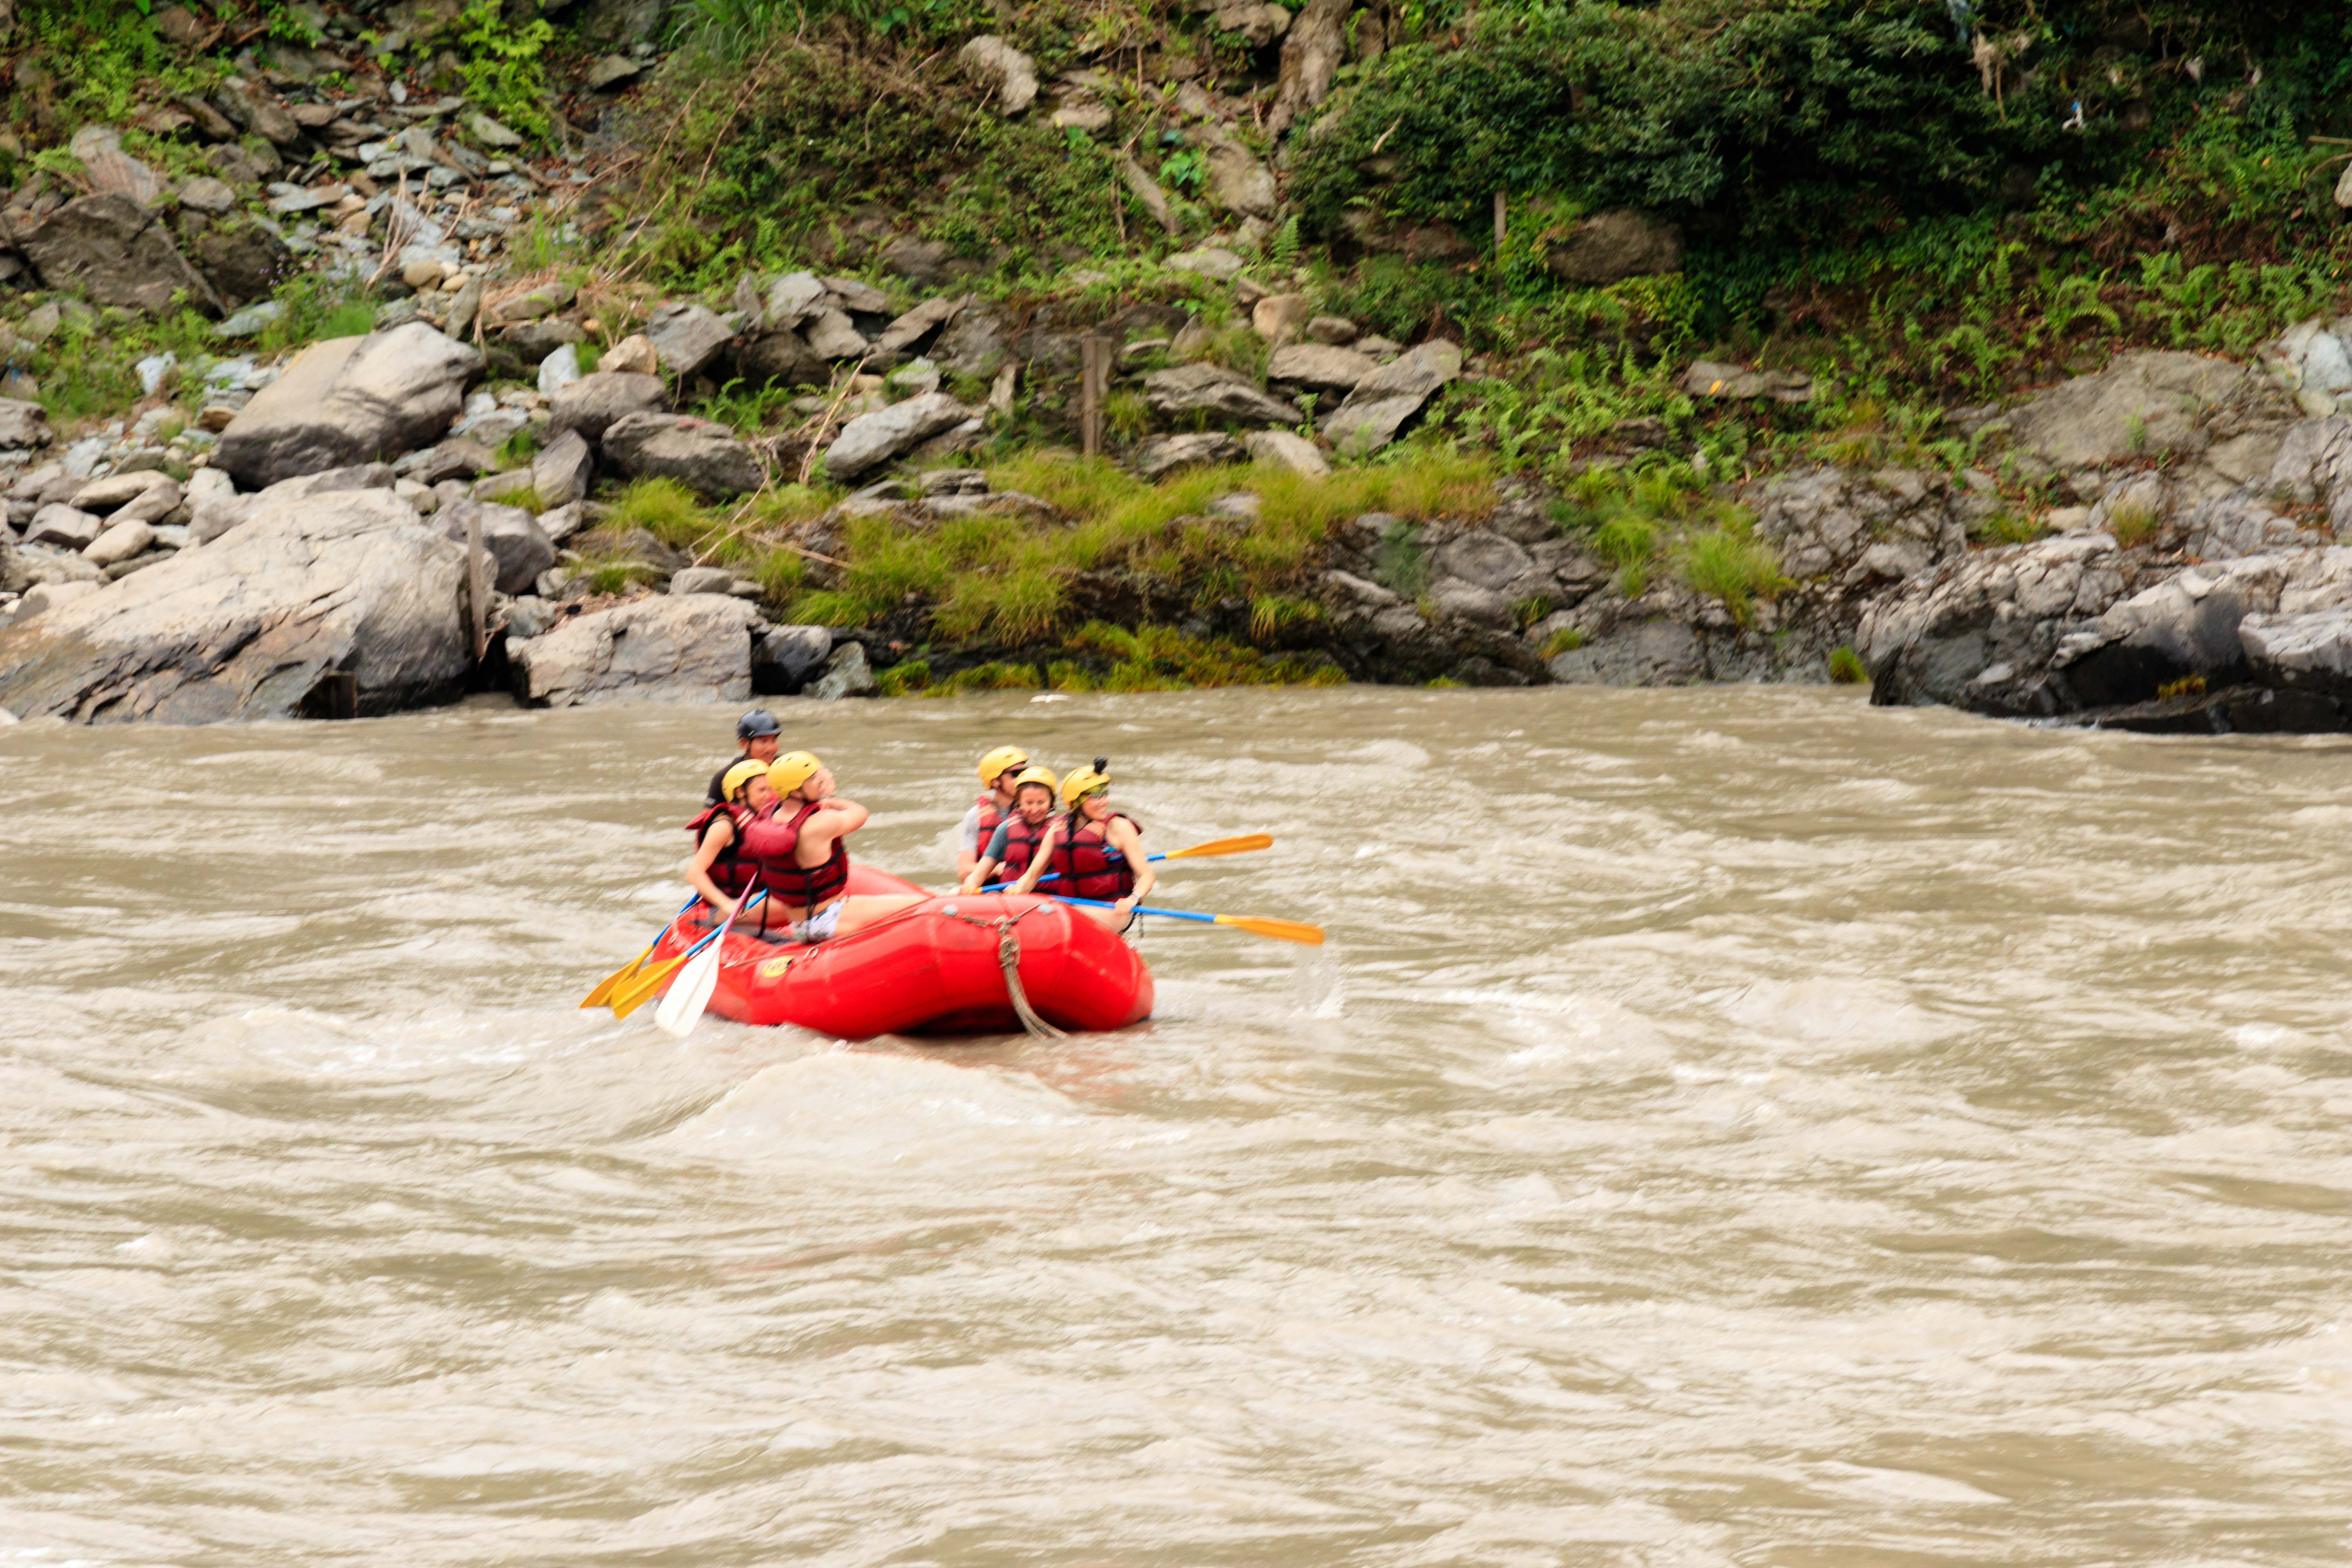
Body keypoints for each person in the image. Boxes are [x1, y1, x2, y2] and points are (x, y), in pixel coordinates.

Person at [739, 751, 926, 944]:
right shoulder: (820, 823)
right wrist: (828, 799)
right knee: (923, 906)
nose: (820, 780)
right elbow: (860, 814)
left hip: (800, 925)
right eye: (813, 778)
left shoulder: (769, 817)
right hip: (829, 920)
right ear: (796, 791)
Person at [1011, 758, 1154, 930]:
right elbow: (1032, 876)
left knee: (1059, 916)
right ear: (1076, 801)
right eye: (1095, 797)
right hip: (1072, 907)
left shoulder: (1119, 827)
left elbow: (1147, 876)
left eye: (1105, 795)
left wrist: (1133, 899)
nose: (1104, 802)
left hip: (1113, 910)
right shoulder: (1058, 829)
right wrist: (1016, 892)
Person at [681, 759, 773, 923]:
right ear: (740, 792)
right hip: (724, 911)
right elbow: (694, 873)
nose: (769, 796)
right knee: (793, 904)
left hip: (753, 902)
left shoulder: (764, 821)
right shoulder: (724, 827)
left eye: (770, 789)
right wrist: (727, 904)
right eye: (762, 790)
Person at [959, 765, 1057, 893]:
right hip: (1010, 896)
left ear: (1051, 802)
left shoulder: (1061, 831)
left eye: (1041, 803)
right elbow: (979, 874)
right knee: (955, 892)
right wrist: (971, 884)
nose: (1035, 810)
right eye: (1029, 803)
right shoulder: (1005, 829)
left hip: (1051, 900)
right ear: (1019, 802)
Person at [956, 744, 1030, 883]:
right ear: (996, 781)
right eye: (1016, 774)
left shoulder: (1036, 811)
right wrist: (999, 869)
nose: (1023, 778)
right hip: (992, 889)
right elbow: (965, 871)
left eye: (1025, 772)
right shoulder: (975, 816)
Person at [706, 710, 782, 804]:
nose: (771, 748)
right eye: (763, 742)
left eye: (774, 740)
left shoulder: (786, 767)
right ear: (744, 744)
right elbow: (708, 816)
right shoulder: (724, 777)